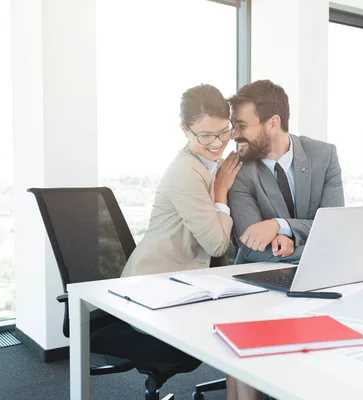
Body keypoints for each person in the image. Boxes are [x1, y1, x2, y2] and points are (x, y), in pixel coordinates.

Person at [120, 84, 261, 400]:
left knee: (244, 327)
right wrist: (222, 191)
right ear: (184, 130)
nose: (217, 143)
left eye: (223, 132)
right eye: (205, 136)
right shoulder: (186, 170)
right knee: (242, 331)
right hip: (152, 289)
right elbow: (215, 245)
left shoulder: (208, 164)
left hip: (185, 281)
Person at [228, 79, 345, 264]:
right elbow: (251, 245)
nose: (234, 135)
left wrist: (280, 226)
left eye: (242, 126)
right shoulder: (238, 169)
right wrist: (309, 246)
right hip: (260, 277)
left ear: (273, 124)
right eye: (233, 126)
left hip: (321, 271)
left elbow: (334, 227)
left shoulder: (324, 156)